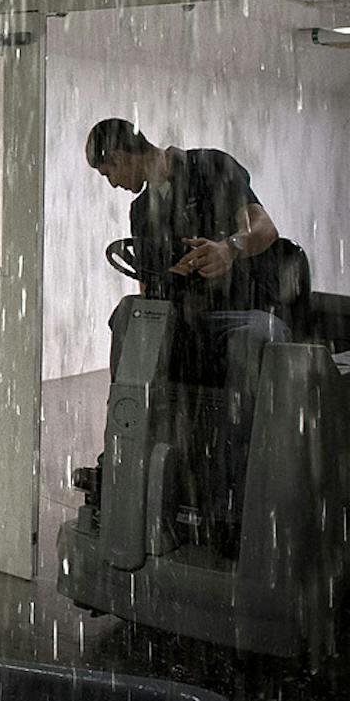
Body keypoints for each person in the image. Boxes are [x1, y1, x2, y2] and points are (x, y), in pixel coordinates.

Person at [86, 118, 288, 541]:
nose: (112, 184)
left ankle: (232, 499)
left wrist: (229, 248)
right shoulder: (142, 209)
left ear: (120, 156)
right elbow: (149, 285)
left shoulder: (211, 167)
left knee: (255, 337)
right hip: (183, 321)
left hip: (235, 313)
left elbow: (264, 230)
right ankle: (126, 459)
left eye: (108, 173)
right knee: (130, 315)